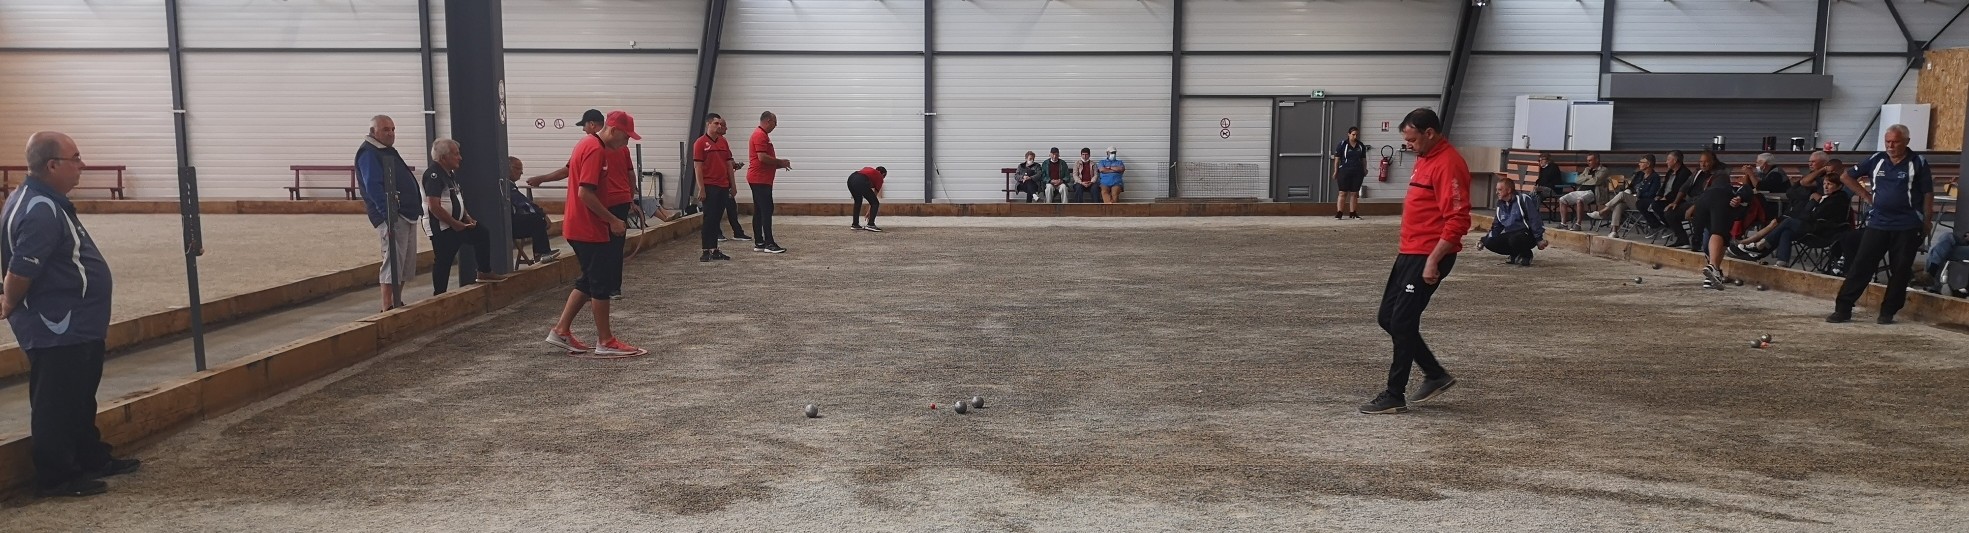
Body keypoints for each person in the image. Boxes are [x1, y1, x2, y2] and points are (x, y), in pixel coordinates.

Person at [3, 132, 141, 498]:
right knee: (56, 401)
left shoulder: (47, 200)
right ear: (51, 165)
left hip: (77, 325)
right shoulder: (39, 208)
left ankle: (89, 456)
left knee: (79, 395)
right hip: (55, 325)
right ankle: (57, 476)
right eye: (75, 158)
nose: (82, 166)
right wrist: (8, 303)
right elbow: (20, 271)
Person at [1359, 108, 1471, 415]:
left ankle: (1395, 393)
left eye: (1412, 139)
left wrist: (1433, 260)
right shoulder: (1424, 159)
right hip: (1409, 252)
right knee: (1388, 318)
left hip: (1427, 255)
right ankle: (1435, 374)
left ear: (1430, 133)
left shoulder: (1448, 164)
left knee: (1403, 321)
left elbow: (1458, 219)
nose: (1408, 145)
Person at [546, 110, 648, 358]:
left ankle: (561, 330)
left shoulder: (589, 145)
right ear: (614, 130)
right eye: (626, 137)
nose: (627, 143)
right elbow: (585, 193)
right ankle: (606, 341)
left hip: (582, 225)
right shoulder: (595, 149)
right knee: (600, 282)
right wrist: (612, 220)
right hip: (588, 227)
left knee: (588, 280)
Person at [1829, 124, 1936, 324]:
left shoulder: (1918, 162)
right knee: (1862, 265)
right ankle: (1843, 308)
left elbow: (1928, 193)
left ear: (1906, 142)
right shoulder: (1876, 159)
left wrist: (1927, 221)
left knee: (1901, 270)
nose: (1891, 145)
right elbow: (1845, 176)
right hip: (1878, 222)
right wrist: (1866, 196)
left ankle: (1888, 311)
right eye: (1887, 141)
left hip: (1907, 224)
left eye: (1895, 142)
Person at [423, 138, 509, 295]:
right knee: (444, 260)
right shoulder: (434, 174)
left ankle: (484, 271)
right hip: (442, 227)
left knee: (481, 234)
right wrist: (454, 223)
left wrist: (466, 216)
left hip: (458, 223)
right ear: (443, 157)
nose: (460, 158)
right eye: (455, 154)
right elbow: (434, 206)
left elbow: (457, 198)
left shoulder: (450, 174)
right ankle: (439, 294)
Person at [356, 115, 423, 312]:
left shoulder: (387, 151)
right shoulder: (369, 153)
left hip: (407, 213)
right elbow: (373, 186)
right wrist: (388, 215)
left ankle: (397, 301)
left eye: (393, 129)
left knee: (405, 262)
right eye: (386, 129)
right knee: (393, 260)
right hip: (393, 215)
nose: (391, 133)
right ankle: (387, 306)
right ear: (373, 131)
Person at [1687, 158, 1757, 290]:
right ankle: (1713, 267)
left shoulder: (1713, 186)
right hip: (1718, 203)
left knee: (1716, 237)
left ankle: (1713, 276)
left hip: (1702, 203)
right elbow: (1746, 190)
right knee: (1719, 233)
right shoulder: (1736, 187)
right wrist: (1739, 198)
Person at [694, 113, 744, 262]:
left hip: (723, 185)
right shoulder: (700, 143)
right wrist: (701, 188)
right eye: (716, 124)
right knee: (709, 218)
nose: (719, 126)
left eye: (720, 124)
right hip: (710, 185)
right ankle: (705, 250)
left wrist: (733, 185)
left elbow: (729, 165)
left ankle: (715, 249)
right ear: (708, 124)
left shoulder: (723, 142)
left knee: (717, 219)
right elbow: (698, 166)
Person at [1586, 154, 1663, 239]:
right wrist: (1629, 191)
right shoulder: (1639, 175)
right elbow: (1631, 186)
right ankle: (1614, 231)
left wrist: (1638, 193)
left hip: (1642, 202)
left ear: (1648, 164)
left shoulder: (1655, 177)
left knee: (1622, 194)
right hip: (1631, 199)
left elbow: (1651, 194)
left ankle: (1602, 212)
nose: (1639, 164)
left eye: (1641, 162)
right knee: (1618, 205)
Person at [524, 109, 606, 187]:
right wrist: (541, 179)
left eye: (584, 125)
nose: (583, 129)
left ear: (592, 124)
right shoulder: (604, 145)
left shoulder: (590, 146)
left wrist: (541, 179)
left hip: (584, 200)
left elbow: (567, 172)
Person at [747, 111, 791, 254]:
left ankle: (759, 241)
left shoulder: (762, 135)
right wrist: (780, 161)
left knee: (760, 211)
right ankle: (768, 243)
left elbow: (765, 160)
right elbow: (762, 157)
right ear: (767, 121)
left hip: (761, 178)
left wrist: (780, 164)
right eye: (774, 122)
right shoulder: (760, 135)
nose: (776, 125)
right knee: (766, 210)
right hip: (759, 179)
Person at [505, 157, 561, 265]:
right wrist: (541, 214)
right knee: (536, 219)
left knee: (535, 219)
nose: (521, 172)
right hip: (508, 226)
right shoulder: (507, 186)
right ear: (507, 168)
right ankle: (541, 252)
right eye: (517, 168)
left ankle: (541, 252)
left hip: (510, 221)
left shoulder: (509, 185)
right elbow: (524, 203)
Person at [1480, 178, 1548, 266]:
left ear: (1508, 190)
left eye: (1500, 189)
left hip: (1527, 235)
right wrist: (1484, 240)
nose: (1497, 192)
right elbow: (1497, 226)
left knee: (1514, 239)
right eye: (1496, 190)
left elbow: (1534, 219)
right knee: (1489, 242)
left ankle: (1526, 254)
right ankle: (1514, 254)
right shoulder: (1500, 205)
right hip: (1511, 235)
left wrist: (1539, 239)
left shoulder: (1523, 199)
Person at [1556, 153, 1612, 230]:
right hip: (1580, 190)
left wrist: (1585, 179)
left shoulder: (1604, 170)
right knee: (1562, 199)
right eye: (1587, 160)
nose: (1588, 162)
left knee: (1579, 200)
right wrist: (1589, 177)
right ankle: (1563, 224)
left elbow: (1596, 181)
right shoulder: (1587, 169)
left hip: (1593, 192)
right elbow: (1577, 180)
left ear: (1597, 160)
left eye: (1590, 160)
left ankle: (1578, 224)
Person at [1656, 150, 1695, 248]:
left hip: (1679, 200)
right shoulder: (1670, 172)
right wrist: (1659, 195)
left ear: (1675, 160)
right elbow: (1664, 186)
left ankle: (1673, 230)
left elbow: (1679, 190)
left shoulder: (1684, 173)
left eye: (1668, 159)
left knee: (1666, 211)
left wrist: (1667, 199)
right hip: (1666, 199)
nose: (1666, 162)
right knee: (1648, 203)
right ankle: (1669, 227)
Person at [1333, 126, 1369, 219]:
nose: (1355, 136)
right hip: (1344, 171)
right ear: (1348, 134)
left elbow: (1363, 159)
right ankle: (1339, 212)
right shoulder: (1342, 144)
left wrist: (1365, 169)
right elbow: (1337, 160)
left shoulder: (1361, 145)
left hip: (1357, 171)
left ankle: (1353, 213)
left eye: (1356, 135)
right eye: (1353, 135)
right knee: (1342, 192)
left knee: (1354, 193)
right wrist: (1336, 171)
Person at [849, 166, 886, 232]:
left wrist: (870, 211)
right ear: (883, 174)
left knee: (858, 201)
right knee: (875, 203)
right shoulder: (880, 177)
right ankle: (871, 225)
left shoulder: (869, 171)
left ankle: (855, 224)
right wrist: (870, 212)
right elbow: (873, 199)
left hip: (851, 178)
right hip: (861, 180)